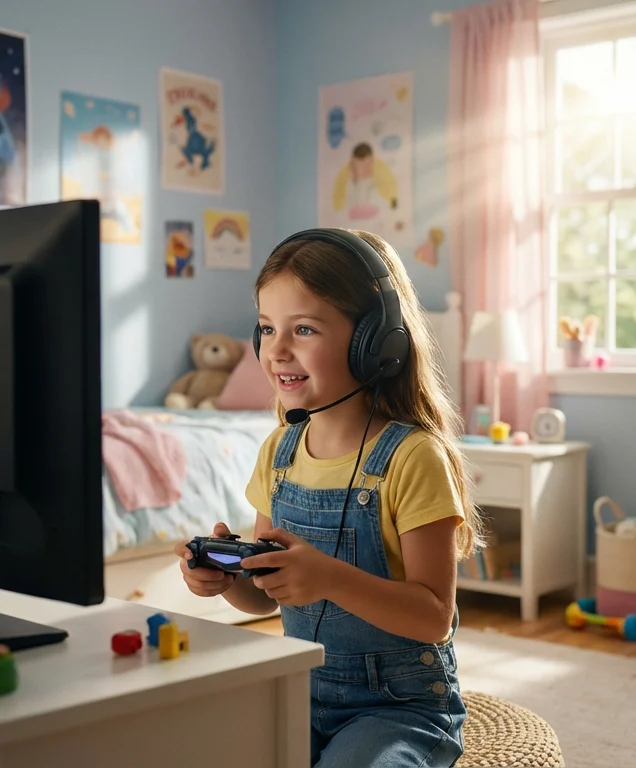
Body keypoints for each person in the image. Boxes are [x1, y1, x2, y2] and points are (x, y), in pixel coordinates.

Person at [176, 227, 485, 767]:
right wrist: (228, 582)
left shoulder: (413, 458)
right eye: (267, 328)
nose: (276, 350)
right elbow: (267, 596)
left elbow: (435, 616)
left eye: (303, 328)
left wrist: (328, 577)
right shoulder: (280, 451)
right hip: (299, 687)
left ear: (375, 342)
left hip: (398, 707)